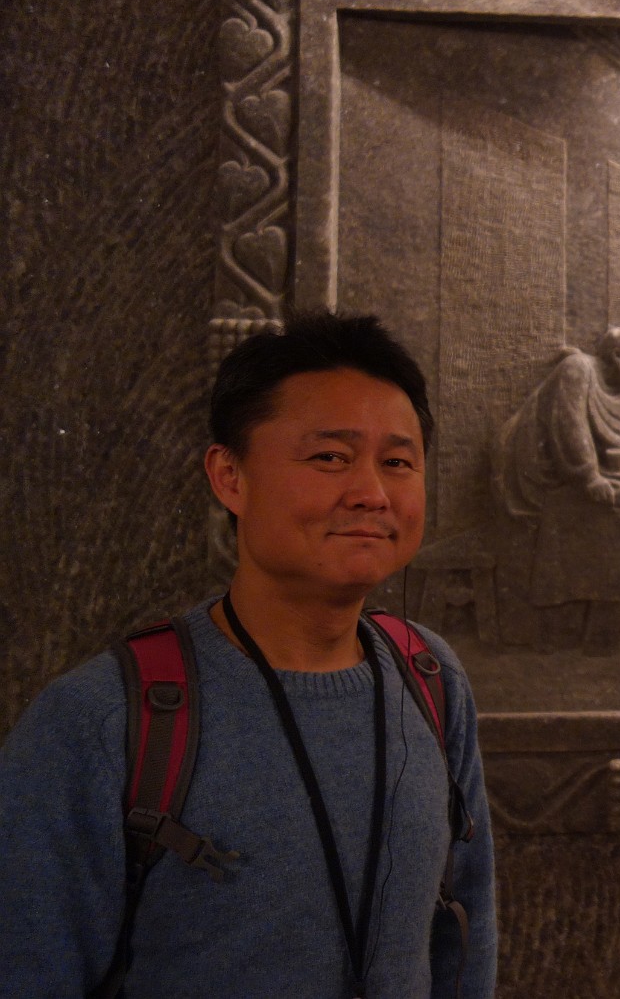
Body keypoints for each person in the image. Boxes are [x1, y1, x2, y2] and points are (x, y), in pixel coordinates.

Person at [0, 311, 496, 997]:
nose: (371, 493)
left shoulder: (429, 677)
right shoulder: (100, 720)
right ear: (229, 476)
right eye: (330, 457)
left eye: (398, 463)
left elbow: (466, 934)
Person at [493, 326, 620, 511]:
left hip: (583, 469)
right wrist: (589, 476)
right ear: (618, 357)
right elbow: (570, 424)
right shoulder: (577, 367)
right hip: (535, 463)